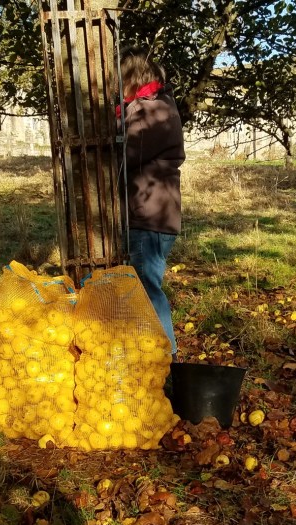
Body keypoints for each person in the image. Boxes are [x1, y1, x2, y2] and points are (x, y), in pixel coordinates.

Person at [118, 47, 185, 357]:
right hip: (152, 215)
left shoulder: (151, 111)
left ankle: (166, 357)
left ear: (132, 77)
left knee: (147, 290)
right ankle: (153, 355)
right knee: (143, 287)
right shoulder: (152, 107)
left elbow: (125, 154)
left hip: (149, 217)